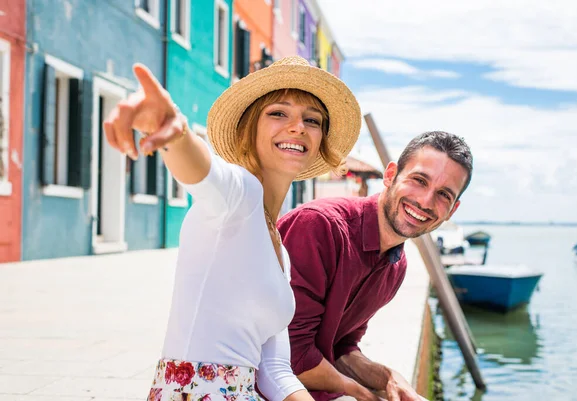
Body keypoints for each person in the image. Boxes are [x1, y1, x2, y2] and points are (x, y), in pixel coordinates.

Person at [102, 56, 361, 401]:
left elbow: (273, 370)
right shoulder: (239, 194)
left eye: (311, 120)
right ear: (248, 129)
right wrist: (175, 130)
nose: (298, 127)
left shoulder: (280, 252)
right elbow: (206, 175)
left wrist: (350, 388)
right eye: (278, 113)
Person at [277, 131, 473, 401]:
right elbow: (291, 354)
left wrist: (390, 379)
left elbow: (341, 346)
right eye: (419, 180)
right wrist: (360, 392)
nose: (426, 201)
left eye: (443, 195)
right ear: (391, 175)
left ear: (452, 210)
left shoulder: (396, 265)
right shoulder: (320, 227)